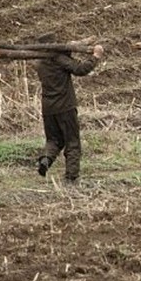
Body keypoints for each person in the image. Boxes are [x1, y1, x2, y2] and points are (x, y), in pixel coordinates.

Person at [35, 34, 104, 183]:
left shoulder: (40, 63)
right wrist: (96, 57)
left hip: (48, 108)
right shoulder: (59, 60)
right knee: (72, 141)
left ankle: (45, 160)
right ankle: (71, 177)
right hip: (65, 106)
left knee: (53, 140)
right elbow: (80, 69)